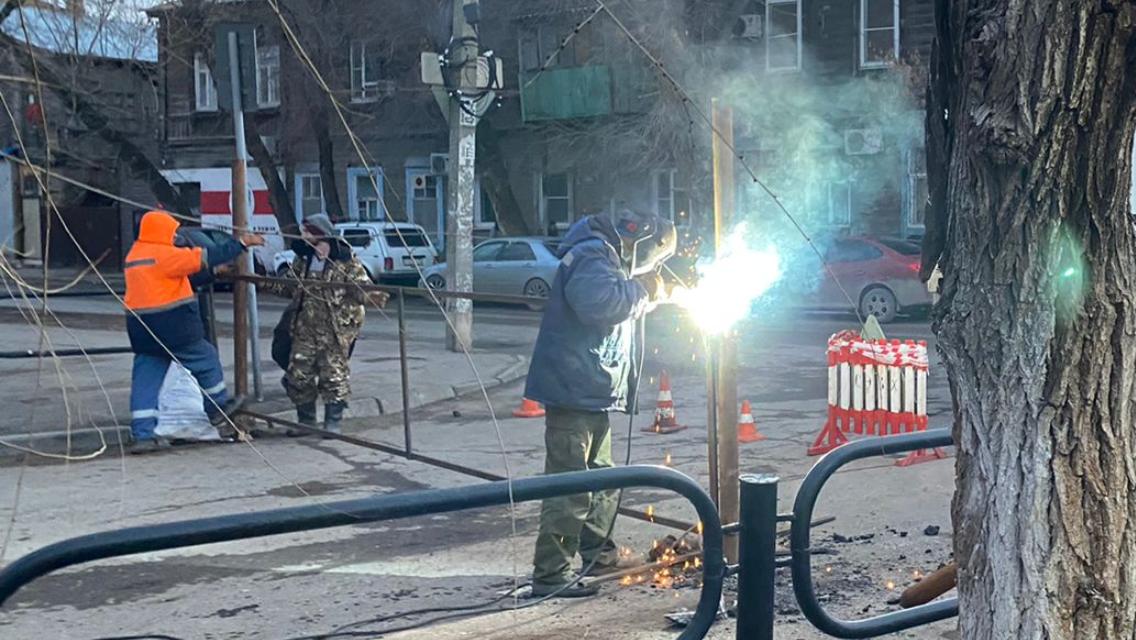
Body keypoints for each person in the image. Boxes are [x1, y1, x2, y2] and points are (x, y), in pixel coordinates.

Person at [523, 210, 671, 598]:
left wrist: (648, 291)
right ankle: (550, 576)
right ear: (640, 243)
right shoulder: (592, 255)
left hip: (589, 391)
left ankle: (597, 554)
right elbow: (600, 303)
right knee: (571, 487)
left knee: (602, 479)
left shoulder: (604, 257)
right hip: (572, 391)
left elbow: (616, 299)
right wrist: (645, 289)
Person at [124, 210, 263, 454]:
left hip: (142, 329)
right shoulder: (164, 254)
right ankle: (217, 408)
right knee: (205, 360)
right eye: (172, 231)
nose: (175, 235)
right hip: (173, 325)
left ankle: (142, 434)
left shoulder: (136, 255)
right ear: (160, 231)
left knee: (146, 378)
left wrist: (213, 273)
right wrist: (242, 243)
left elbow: (177, 276)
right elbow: (206, 256)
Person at [265, 214, 388, 436]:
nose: (303, 235)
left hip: (334, 332)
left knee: (333, 377)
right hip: (305, 329)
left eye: (308, 231)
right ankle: (307, 421)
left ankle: (333, 423)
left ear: (320, 233)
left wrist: (374, 297)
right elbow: (289, 287)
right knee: (297, 377)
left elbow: (361, 288)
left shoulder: (345, 261)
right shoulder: (303, 260)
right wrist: (261, 282)